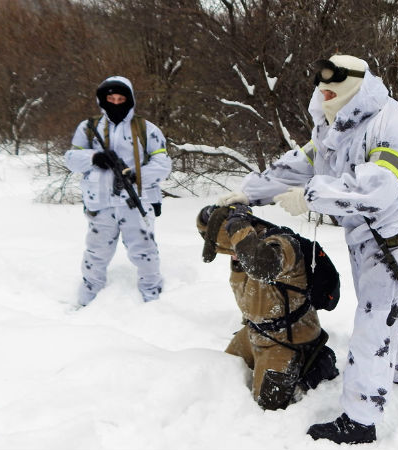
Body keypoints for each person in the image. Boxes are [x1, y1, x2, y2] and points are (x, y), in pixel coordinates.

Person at [218, 55, 398, 444]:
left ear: (358, 84)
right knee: (393, 307)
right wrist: (249, 192)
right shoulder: (334, 122)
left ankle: (360, 418)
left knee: (375, 320)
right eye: (321, 85)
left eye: (333, 85)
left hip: (396, 235)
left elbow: (378, 189)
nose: (324, 91)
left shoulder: (389, 126)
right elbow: (298, 164)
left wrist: (312, 196)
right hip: (369, 235)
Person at [196, 204, 339, 410]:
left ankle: (320, 365)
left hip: (286, 339)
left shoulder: (282, 246)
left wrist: (237, 226)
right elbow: (208, 232)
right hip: (256, 332)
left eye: (233, 236)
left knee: (270, 405)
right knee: (220, 372)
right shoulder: (243, 247)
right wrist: (211, 214)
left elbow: (261, 265)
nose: (230, 253)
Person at [65, 76, 172, 306]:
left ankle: (152, 298)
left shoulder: (146, 129)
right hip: (100, 204)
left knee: (145, 252)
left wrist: (136, 175)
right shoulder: (89, 128)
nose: (115, 103)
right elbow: (71, 159)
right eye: (110, 98)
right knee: (96, 254)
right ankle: (88, 298)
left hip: (135, 202)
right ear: (102, 100)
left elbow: (163, 164)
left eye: (121, 98)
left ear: (129, 100)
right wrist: (95, 157)